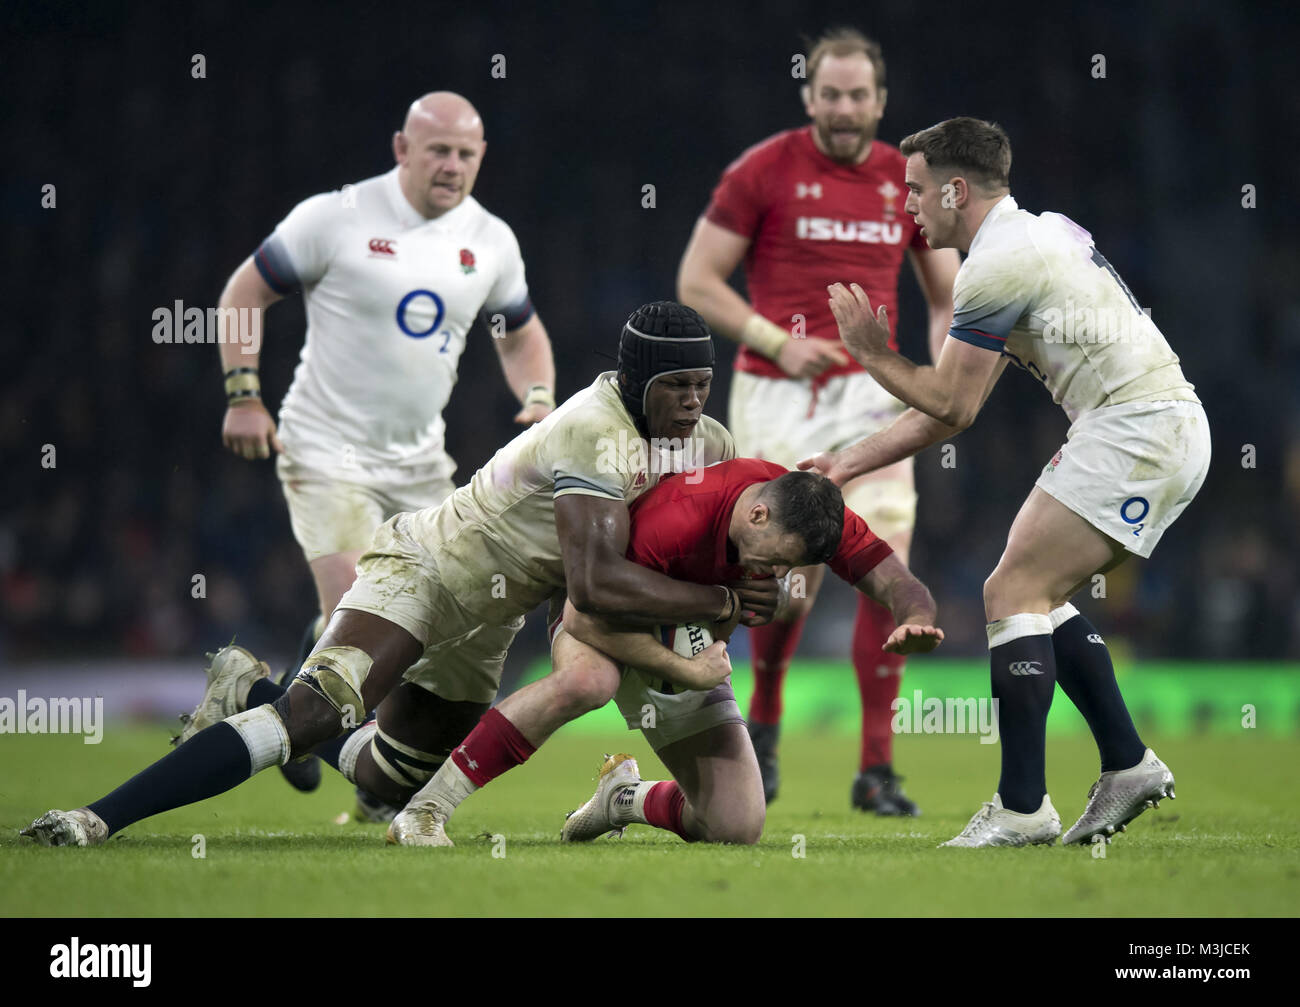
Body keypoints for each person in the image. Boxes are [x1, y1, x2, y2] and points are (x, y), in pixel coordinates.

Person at [22, 303, 774, 848]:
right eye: (677, 385)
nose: (693, 401)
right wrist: (719, 599)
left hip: (492, 618)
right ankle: (94, 819)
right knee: (310, 719)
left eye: (702, 385)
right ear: (639, 381)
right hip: (430, 569)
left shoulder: (704, 440)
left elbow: (682, 544)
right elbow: (594, 582)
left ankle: (245, 686)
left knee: (391, 779)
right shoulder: (591, 427)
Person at [801, 117, 1210, 847]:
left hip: (1136, 427)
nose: (909, 206)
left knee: (1010, 592)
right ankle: (1126, 761)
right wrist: (846, 464)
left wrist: (871, 352)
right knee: (1032, 593)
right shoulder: (1034, 235)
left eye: (917, 189)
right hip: (1147, 424)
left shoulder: (993, 266)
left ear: (957, 189)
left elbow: (949, 403)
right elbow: (952, 415)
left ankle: (1024, 806)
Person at [207, 91, 556, 800]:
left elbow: (519, 329)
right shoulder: (334, 217)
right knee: (365, 637)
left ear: (482, 156)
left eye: (466, 153)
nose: (453, 165)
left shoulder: (491, 239)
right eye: (439, 150)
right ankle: (327, 738)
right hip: (325, 449)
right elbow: (245, 291)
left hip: (422, 463)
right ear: (402, 148)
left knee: (430, 645)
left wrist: (541, 398)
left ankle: (262, 696)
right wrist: (243, 392)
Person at [677, 27, 960, 813]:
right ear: (809, 96)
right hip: (777, 391)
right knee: (784, 580)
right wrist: (776, 340)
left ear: (881, 101)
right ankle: (762, 731)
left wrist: (936, 380)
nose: (843, 108)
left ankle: (876, 769)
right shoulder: (763, 169)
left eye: (858, 95)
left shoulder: (906, 181)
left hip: (875, 397)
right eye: (829, 94)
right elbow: (697, 279)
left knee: (884, 576)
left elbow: (947, 295)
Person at [388, 458, 942, 847]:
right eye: (780, 561)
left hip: (687, 626)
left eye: (791, 569)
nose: (779, 576)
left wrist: (917, 616)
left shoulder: (810, 513)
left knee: (737, 826)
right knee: (588, 683)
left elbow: (895, 578)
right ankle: (425, 810)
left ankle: (623, 799)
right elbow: (587, 614)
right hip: (602, 607)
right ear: (757, 516)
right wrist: (687, 667)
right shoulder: (677, 518)